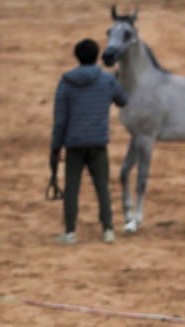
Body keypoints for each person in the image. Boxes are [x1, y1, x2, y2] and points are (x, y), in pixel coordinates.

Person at [50, 38, 127, 245]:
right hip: (98, 141)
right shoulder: (107, 80)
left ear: (77, 57)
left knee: (71, 188)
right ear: (96, 56)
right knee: (102, 187)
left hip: (73, 143)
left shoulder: (66, 82)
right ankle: (108, 230)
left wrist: (55, 148)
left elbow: (60, 120)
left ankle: (70, 232)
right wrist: (117, 80)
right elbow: (123, 101)